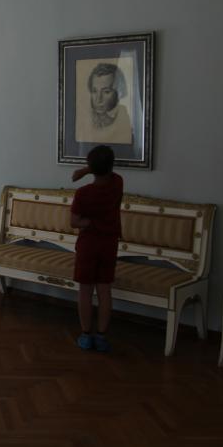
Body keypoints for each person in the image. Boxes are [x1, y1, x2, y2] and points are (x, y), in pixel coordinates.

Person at [70, 145, 124, 352]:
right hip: (109, 245)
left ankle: (86, 334)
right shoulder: (117, 184)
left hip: (88, 245)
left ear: (91, 166)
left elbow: (74, 222)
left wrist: (90, 222)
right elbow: (109, 172)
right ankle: (101, 336)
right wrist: (89, 169)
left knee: (85, 291)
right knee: (104, 290)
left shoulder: (83, 193)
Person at [76, 62, 132, 145]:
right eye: (94, 91)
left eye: (106, 92)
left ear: (118, 92)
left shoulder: (123, 116)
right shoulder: (84, 119)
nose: (98, 99)